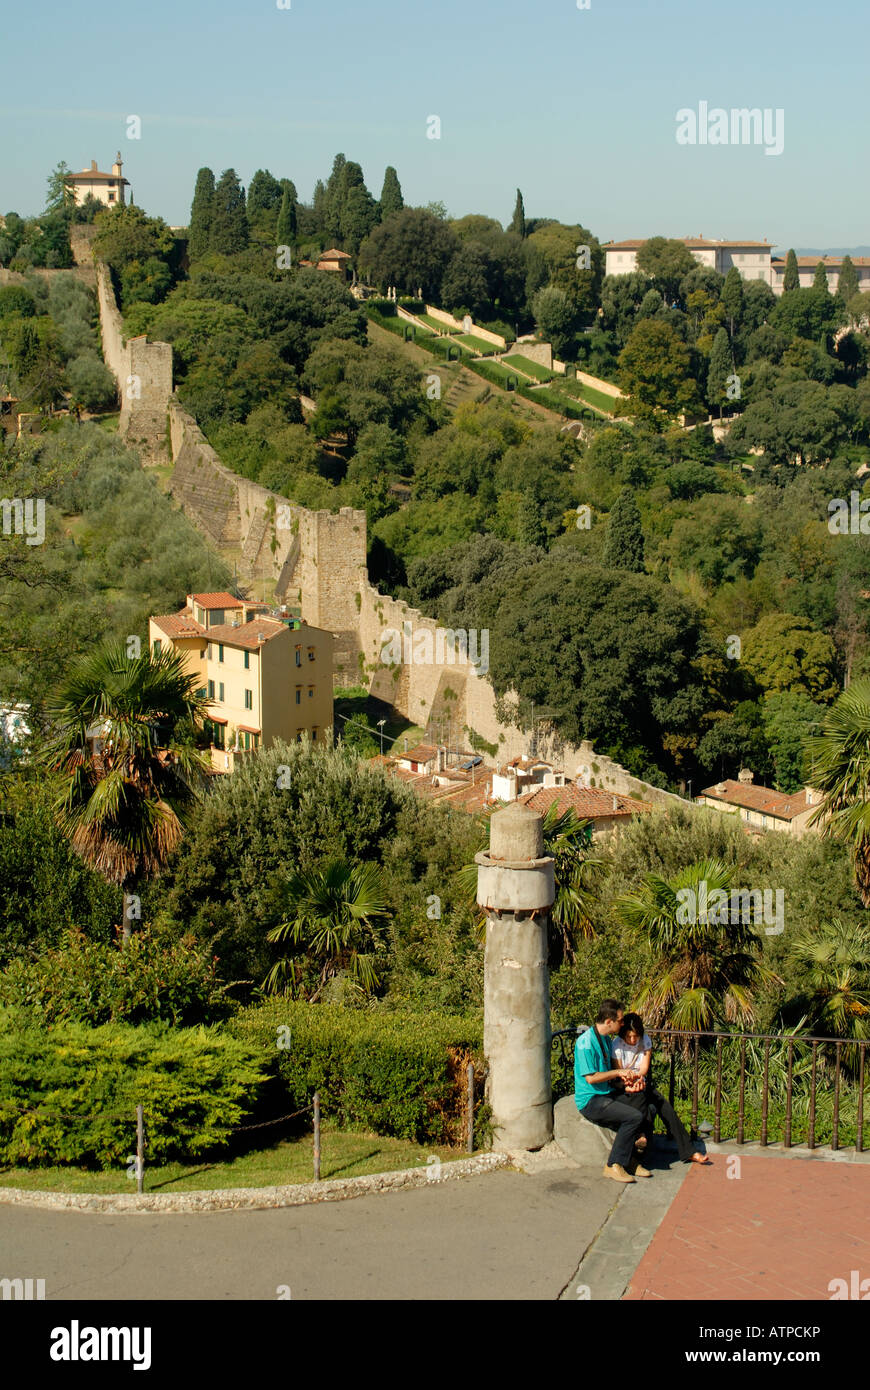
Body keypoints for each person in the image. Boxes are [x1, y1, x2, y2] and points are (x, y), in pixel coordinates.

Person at [611, 1013, 711, 1166]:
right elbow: (618, 1071)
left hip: (640, 1081)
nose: (632, 1040)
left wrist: (638, 1079)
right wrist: (630, 1083)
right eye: (628, 1036)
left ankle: (689, 1151)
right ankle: (641, 1134)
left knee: (665, 1107)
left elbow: (644, 1068)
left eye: (635, 1036)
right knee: (643, 1099)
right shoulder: (616, 1044)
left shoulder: (645, 1040)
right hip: (623, 1085)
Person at [574, 998, 651, 1184]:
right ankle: (613, 1164)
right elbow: (591, 1078)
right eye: (620, 1020)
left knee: (647, 1106)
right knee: (633, 1117)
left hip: (607, 1093)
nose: (622, 1023)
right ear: (609, 1022)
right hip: (591, 1099)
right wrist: (618, 1072)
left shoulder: (606, 1040)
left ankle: (631, 1160)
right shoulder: (585, 1043)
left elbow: (610, 1075)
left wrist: (626, 1082)